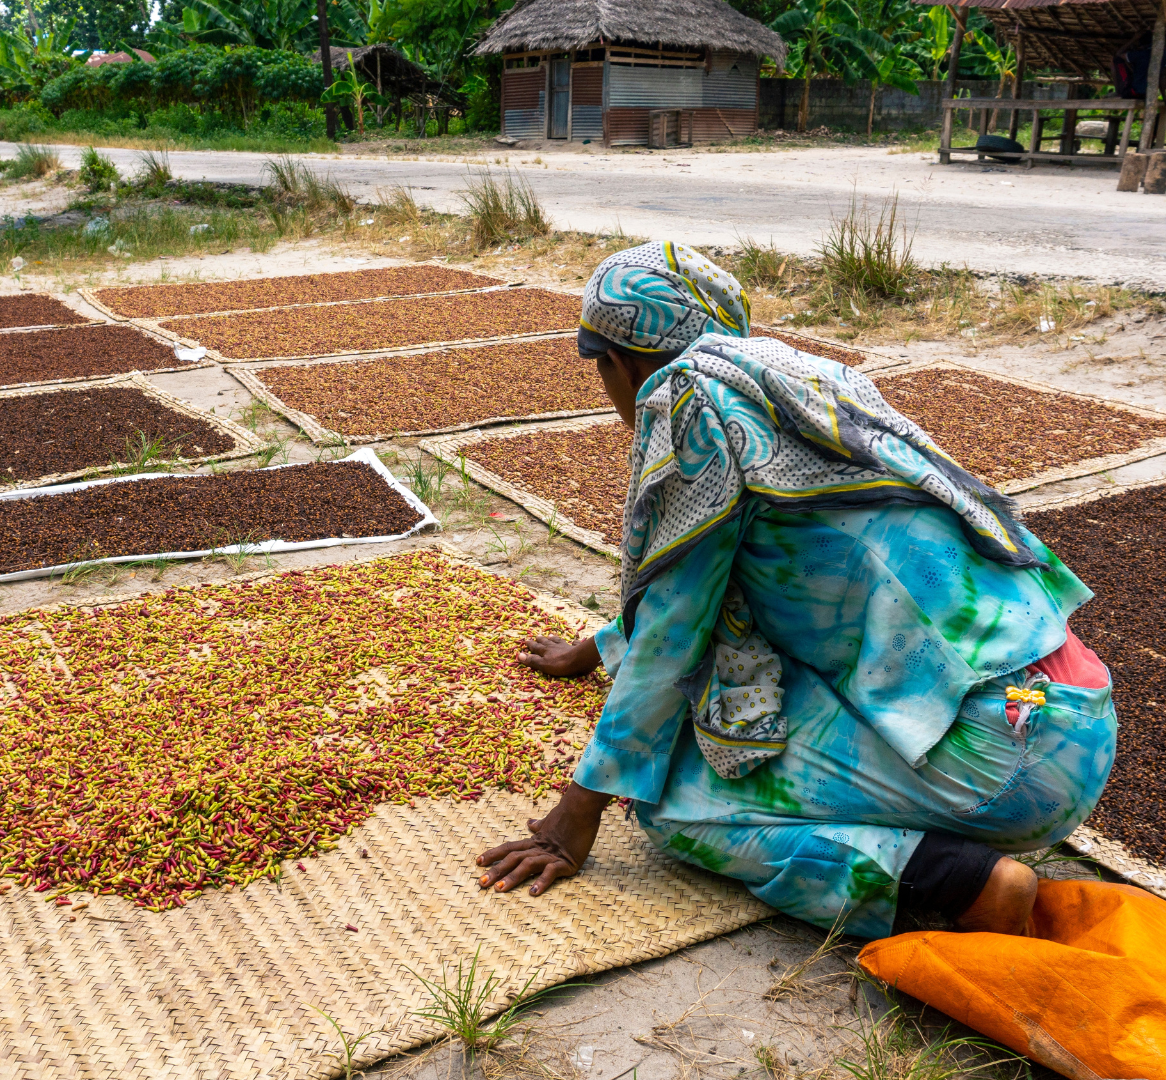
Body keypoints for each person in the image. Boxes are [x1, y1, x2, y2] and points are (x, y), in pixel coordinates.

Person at [475, 242, 1118, 938]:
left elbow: (674, 628)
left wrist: (580, 810)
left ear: (620, 361)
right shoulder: (788, 377)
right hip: (1067, 711)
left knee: (672, 798)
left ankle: (954, 887)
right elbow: (724, 579)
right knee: (739, 706)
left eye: (600, 368)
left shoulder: (688, 404)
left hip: (1000, 761)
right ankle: (954, 843)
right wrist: (597, 647)